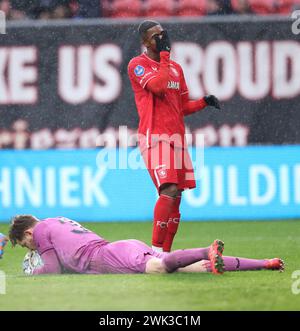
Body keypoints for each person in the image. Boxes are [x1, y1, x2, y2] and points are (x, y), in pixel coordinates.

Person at [128, 20, 221, 253]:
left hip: (177, 139)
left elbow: (180, 106)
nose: (161, 39)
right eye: (155, 36)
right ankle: (156, 251)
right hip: (154, 137)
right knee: (168, 189)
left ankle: (166, 253)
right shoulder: (137, 65)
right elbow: (158, 87)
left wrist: (203, 103)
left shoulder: (176, 69)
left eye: (163, 34)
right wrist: (165, 57)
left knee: (177, 196)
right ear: (144, 41)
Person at [2, 215, 284, 275]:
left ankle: (204, 249)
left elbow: (51, 270)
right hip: (120, 248)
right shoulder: (56, 220)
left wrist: (29, 272)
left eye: (28, 246)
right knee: (194, 269)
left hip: (108, 257)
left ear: (28, 233)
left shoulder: (39, 232)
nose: (32, 249)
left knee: (161, 267)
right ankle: (265, 263)